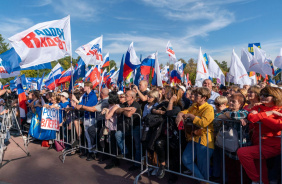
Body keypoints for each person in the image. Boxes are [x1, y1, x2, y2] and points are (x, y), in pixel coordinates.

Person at [237, 86, 282, 184]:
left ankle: (255, 179)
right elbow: (251, 117)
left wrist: (261, 116)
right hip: (257, 142)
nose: (262, 97)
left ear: (275, 97)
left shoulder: (280, 109)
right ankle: (260, 180)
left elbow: (278, 126)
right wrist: (269, 113)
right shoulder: (258, 107)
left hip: (273, 145)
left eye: (266, 95)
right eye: (261, 94)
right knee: (261, 168)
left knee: (243, 152)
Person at [176, 87, 214, 183]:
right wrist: (180, 114)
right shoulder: (194, 106)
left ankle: (203, 181)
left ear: (204, 98)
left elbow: (203, 123)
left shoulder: (209, 108)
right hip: (194, 138)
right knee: (186, 159)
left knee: (203, 167)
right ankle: (202, 180)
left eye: (197, 95)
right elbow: (186, 111)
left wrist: (191, 116)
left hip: (204, 141)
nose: (194, 96)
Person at [115, 90, 142, 171]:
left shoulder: (136, 104)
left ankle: (137, 163)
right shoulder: (125, 104)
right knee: (118, 134)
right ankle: (125, 153)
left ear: (132, 97)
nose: (124, 96)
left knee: (137, 145)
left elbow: (129, 114)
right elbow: (117, 110)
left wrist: (122, 110)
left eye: (126, 95)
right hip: (126, 127)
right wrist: (125, 108)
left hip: (135, 127)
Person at [74, 82, 98, 161]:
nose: (83, 87)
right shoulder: (84, 95)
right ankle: (89, 151)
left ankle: (93, 153)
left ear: (88, 87)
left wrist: (78, 103)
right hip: (86, 117)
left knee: (92, 136)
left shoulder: (93, 96)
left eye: (85, 86)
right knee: (87, 136)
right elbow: (81, 104)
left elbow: (86, 105)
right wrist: (78, 104)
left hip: (92, 118)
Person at [101, 91, 120, 169]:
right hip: (109, 127)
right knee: (108, 143)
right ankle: (111, 158)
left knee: (113, 146)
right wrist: (106, 109)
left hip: (114, 128)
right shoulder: (110, 105)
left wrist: (106, 110)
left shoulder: (116, 106)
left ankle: (114, 161)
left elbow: (107, 117)